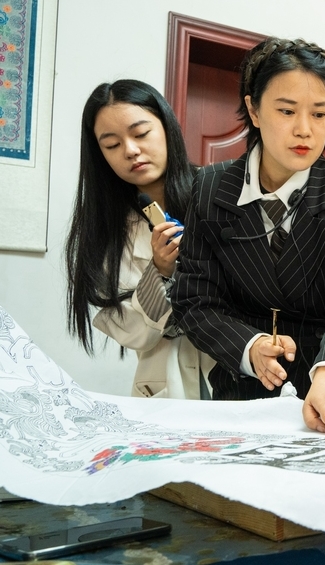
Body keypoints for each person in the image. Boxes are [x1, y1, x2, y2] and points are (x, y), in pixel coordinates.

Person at [172, 37, 325, 436]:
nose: (304, 130)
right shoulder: (210, 188)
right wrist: (248, 347)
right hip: (241, 398)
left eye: (320, 113)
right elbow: (194, 300)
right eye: (287, 111)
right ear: (254, 109)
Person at [65, 79, 214, 400]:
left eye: (141, 133)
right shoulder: (107, 231)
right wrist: (159, 271)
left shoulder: (219, 192)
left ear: (167, 128)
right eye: (112, 145)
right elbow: (133, 333)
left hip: (240, 372)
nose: (130, 150)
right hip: (168, 390)